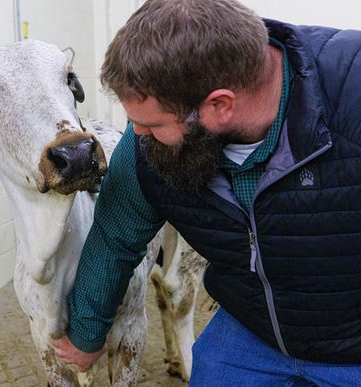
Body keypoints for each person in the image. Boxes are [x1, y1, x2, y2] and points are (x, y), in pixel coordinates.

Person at [53, 0, 361, 385]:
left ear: (220, 105)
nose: (139, 134)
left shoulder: (351, 94)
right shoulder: (147, 145)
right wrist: (86, 335)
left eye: (152, 123)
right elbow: (114, 235)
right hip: (253, 329)